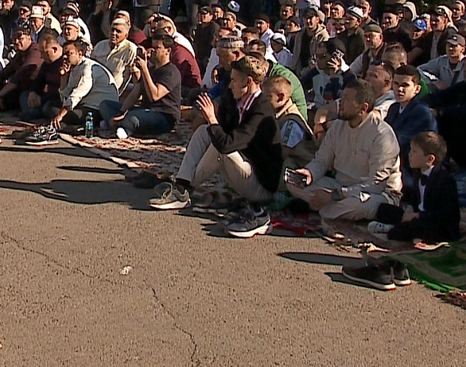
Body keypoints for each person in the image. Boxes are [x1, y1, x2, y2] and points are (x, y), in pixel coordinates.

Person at [150, 55, 282, 239]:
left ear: (249, 82)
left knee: (220, 148)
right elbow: (224, 131)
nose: (230, 85)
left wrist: (213, 118)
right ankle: (182, 184)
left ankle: (183, 191)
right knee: (205, 131)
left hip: (261, 186)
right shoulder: (241, 102)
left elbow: (227, 144)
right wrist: (214, 118)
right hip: (245, 169)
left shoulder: (261, 110)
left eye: (234, 80)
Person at [287, 79, 402, 220]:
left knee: (361, 205)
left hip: (373, 193)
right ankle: (328, 208)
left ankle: (321, 209)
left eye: (347, 99)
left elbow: (376, 185)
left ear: (363, 108)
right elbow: (322, 160)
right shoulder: (337, 126)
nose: (340, 103)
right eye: (342, 97)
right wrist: (309, 173)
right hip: (339, 186)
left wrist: (334, 195)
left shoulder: (382, 135)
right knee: (293, 183)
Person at [368, 131, 460, 243]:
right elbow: (416, 199)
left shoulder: (445, 180)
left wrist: (418, 215)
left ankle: (392, 229)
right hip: (418, 216)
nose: (410, 154)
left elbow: (448, 213)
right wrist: (410, 208)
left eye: (415, 151)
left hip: (436, 223)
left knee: (413, 228)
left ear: (430, 159)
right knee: (383, 209)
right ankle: (400, 226)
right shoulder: (418, 172)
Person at [102, 33, 182, 139]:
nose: (153, 51)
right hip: (144, 110)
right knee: (105, 105)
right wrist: (121, 112)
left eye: (157, 48)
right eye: (152, 47)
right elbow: (135, 93)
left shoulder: (171, 72)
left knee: (133, 118)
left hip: (163, 115)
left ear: (168, 51)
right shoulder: (152, 69)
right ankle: (123, 125)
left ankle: (123, 125)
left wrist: (144, 70)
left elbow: (155, 95)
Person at [51, 39, 120, 134]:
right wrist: (63, 77)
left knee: (60, 114)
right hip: (84, 105)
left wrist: (60, 115)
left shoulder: (88, 68)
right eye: (64, 54)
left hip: (97, 108)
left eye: (69, 53)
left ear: (79, 54)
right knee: (49, 107)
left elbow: (76, 95)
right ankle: (68, 127)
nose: (65, 57)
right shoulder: (74, 68)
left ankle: (82, 127)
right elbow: (66, 95)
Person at [0, 25, 44, 111]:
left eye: (20, 38)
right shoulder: (20, 54)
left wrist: (0, 95)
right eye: (14, 39)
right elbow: (6, 72)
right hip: (18, 87)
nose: (16, 41)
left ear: (29, 38)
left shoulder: (35, 51)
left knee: (15, 99)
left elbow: (19, 76)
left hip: (31, 89)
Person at [267, 74, 317, 170]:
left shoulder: (291, 121)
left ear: (280, 97)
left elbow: (282, 153)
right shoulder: (276, 115)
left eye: (267, 97)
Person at [92, 17, 138, 92]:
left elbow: (136, 75)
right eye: (112, 30)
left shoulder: (131, 50)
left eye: (118, 31)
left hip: (114, 93)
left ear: (126, 35)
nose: (114, 33)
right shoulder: (100, 45)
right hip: (95, 89)